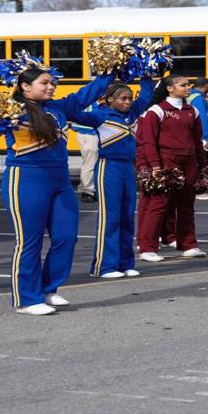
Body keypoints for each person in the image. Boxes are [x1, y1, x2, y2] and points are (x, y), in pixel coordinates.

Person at [3, 62, 115, 314]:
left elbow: (84, 96)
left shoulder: (57, 108)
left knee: (66, 237)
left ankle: (48, 288)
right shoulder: (11, 110)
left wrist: (109, 73)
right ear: (24, 86)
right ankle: (27, 299)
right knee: (28, 241)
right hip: (26, 178)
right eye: (44, 83)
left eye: (53, 83)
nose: (51, 87)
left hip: (60, 180)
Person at [135, 74, 208, 262]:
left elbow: (197, 140)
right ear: (170, 88)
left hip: (189, 160)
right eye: (183, 85)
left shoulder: (192, 111)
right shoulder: (157, 111)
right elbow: (150, 142)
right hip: (167, 160)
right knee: (158, 205)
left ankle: (188, 244)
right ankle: (147, 247)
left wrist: (201, 165)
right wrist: (155, 166)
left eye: (188, 85)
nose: (188, 88)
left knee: (187, 204)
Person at [88, 81, 148, 279]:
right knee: (110, 218)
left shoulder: (131, 114)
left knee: (127, 217)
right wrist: (102, 82)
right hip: (108, 167)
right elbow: (73, 110)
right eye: (123, 98)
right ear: (110, 100)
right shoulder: (100, 115)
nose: (128, 102)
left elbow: (146, 96)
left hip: (128, 168)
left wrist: (147, 74)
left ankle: (125, 263)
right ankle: (105, 265)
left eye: (130, 98)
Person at [188, 77, 208, 200]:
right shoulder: (198, 98)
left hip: (192, 135)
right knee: (201, 162)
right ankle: (199, 188)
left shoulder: (191, 97)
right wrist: (207, 137)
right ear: (206, 85)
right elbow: (202, 118)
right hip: (199, 137)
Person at [72, 103, 99, 203]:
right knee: (90, 162)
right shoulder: (95, 96)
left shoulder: (90, 93)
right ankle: (88, 190)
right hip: (89, 132)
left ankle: (88, 187)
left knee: (92, 162)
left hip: (89, 130)